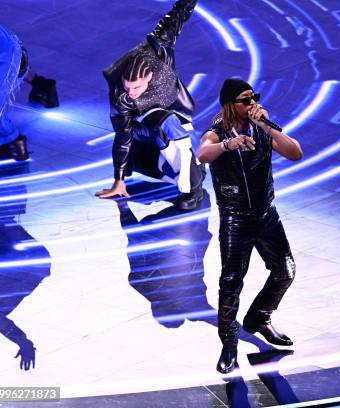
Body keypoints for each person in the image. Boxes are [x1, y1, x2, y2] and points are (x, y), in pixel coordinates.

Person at [198, 78, 303, 373]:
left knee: (286, 270)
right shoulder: (215, 132)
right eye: (245, 100)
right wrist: (228, 145)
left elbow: (295, 153)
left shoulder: (261, 124)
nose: (252, 103)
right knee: (231, 282)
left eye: (253, 97)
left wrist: (268, 126)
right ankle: (229, 344)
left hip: (266, 213)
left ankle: (259, 317)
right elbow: (202, 154)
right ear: (230, 104)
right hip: (235, 218)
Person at [96, 0, 204, 210]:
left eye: (136, 88)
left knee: (166, 121)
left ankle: (193, 188)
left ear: (150, 78)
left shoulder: (160, 46)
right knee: (135, 142)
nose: (131, 94)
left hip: (178, 123)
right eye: (128, 88)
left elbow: (178, 14)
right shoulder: (120, 94)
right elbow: (122, 136)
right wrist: (119, 179)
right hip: (153, 132)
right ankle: (172, 172)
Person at [0, 12, 59, 162]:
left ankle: (11, 143)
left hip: (1, 62)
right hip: (10, 48)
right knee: (4, 59)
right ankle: (42, 87)